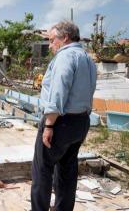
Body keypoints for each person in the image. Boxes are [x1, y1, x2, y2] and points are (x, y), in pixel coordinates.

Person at [31, 21, 97, 211]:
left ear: (65, 38)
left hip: (60, 122)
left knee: (42, 170)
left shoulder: (65, 57)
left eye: (52, 40)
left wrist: (49, 125)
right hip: (81, 121)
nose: (50, 45)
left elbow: (59, 92)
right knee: (67, 171)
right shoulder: (87, 58)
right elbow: (90, 90)